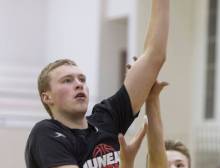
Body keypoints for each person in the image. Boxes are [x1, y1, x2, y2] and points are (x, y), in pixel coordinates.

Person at [25, 0, 170, 167]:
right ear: (47, 97)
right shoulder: (46, 133)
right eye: (67, 80)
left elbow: (155, 57)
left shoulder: (107, 118)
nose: (79, 84)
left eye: (82, 79)